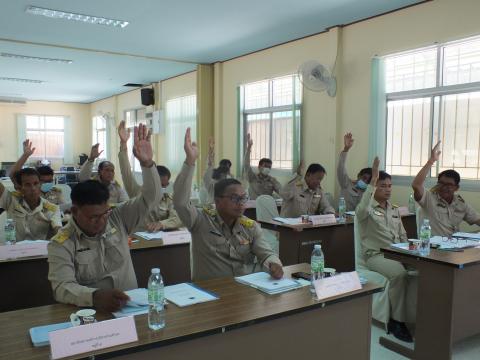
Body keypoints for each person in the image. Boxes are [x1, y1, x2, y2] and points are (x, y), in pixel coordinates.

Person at [47, 124, 162, 312]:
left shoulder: (116, 217)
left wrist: (148, 164)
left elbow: (151, 198)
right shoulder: (61, 243)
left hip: (134, 307)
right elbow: (61, 287)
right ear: (74, 212)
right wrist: (94, 296)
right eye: (93, 217)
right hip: (93, 312)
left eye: (104, 214)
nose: (101, 221)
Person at [173, 128, 283, 281]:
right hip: (210, 292)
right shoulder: (200, 221)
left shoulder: (250, 227)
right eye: (234, 199)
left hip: (241, 290)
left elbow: (267, 253)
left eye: (243, 198)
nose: (240, 204)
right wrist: (190, 161)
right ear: (217, 201)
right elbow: (179, 201)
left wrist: (274, 264)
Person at [356, 157, 412, 342]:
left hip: (399, 252)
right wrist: (372, 180)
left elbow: (403, 235)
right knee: (399, 275)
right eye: (382, 186)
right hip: (377, 256)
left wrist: (412, 251)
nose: (387, 189)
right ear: (374, 187)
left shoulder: (394, 210)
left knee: (429, 268)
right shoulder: (366, 209)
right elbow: (362, 206)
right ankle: (397, 321)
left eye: (390, 186)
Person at [117, 120, 182, 232]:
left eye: (165, 185)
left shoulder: (169, 199)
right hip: (139, 239)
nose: (162, 187)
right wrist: (123, 144)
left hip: (160, 241)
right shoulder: (137, 192)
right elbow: (126, 172)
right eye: (159, 184)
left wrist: (161, 224)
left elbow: (178, 218)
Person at [412, 141, 480, 236]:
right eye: (441, 183)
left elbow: (476, 219)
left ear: (456, 188)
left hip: (455, 246)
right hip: (433, 248)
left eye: (449, 185)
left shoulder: (460, 203)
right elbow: (416, 185)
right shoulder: (429, 198)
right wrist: (431, 161)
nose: (444, 187)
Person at [0, 167, 61, 241]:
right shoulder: (11, 201)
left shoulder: (52, 208)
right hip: (16, 250)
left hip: (41, 250)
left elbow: (58, 230)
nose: (33, 188)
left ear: (40, 184)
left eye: (36, 183)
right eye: (27, 185)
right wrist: (26, 155)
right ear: (20, 188)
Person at [8, 139, 68, 211]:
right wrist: (25, 155)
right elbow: (13, 175)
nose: (47, 184)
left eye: (49, 181)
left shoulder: (57, 192)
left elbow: (64, 208)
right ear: (37, 181)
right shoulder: (28, 191)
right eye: (43, 181)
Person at [337, 133, 372, 211]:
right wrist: (346, 149)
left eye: (368, 181)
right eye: (364, 178)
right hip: (343, 219)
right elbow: (341, 168)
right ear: (358, 175)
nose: (365, 181)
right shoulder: (346, 183)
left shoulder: (368, 192)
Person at [243, 133, 282, 199]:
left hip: (266, 206)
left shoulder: (272, 180)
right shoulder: (252, 177)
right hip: (253, 206)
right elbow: (246, 165)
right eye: (265, 166)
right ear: (259, 167)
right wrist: (249, 148)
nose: (267, 168)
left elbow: (282, 192)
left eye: (269, 167)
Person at [202, 137, 233, 204]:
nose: (225, 177)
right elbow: (209, 166)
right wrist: (210, 151)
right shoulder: (211, 184)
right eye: (224, 174)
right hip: (212, 208)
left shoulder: (229, 182)